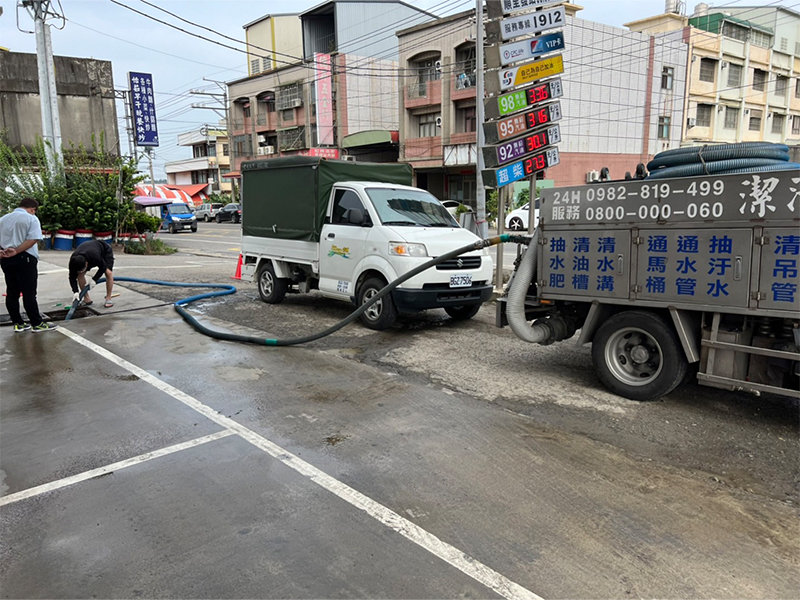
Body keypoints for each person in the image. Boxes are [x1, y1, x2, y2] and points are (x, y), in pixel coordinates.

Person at [0, 197, 57, 332]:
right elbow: (33, 239)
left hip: (5, 258)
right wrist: (17, 251)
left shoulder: (3, 219)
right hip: (25, 258)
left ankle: (18, 323)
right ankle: (37, 323)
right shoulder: (31, 219)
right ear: (32, 209)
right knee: (29, 293)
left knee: (12, 292)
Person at [68, 239, 115, 308]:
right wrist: (75, 292)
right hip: (86, 251)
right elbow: (72, 277)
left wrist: (94, 280)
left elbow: (103, 267)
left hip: (104, 250)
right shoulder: (73, 261)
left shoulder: (94, 256)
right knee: (80, 275)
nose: (82, 271)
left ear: (87, 264)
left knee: (108, 273)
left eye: (83, 269)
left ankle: (108, 298)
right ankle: (86, 298)